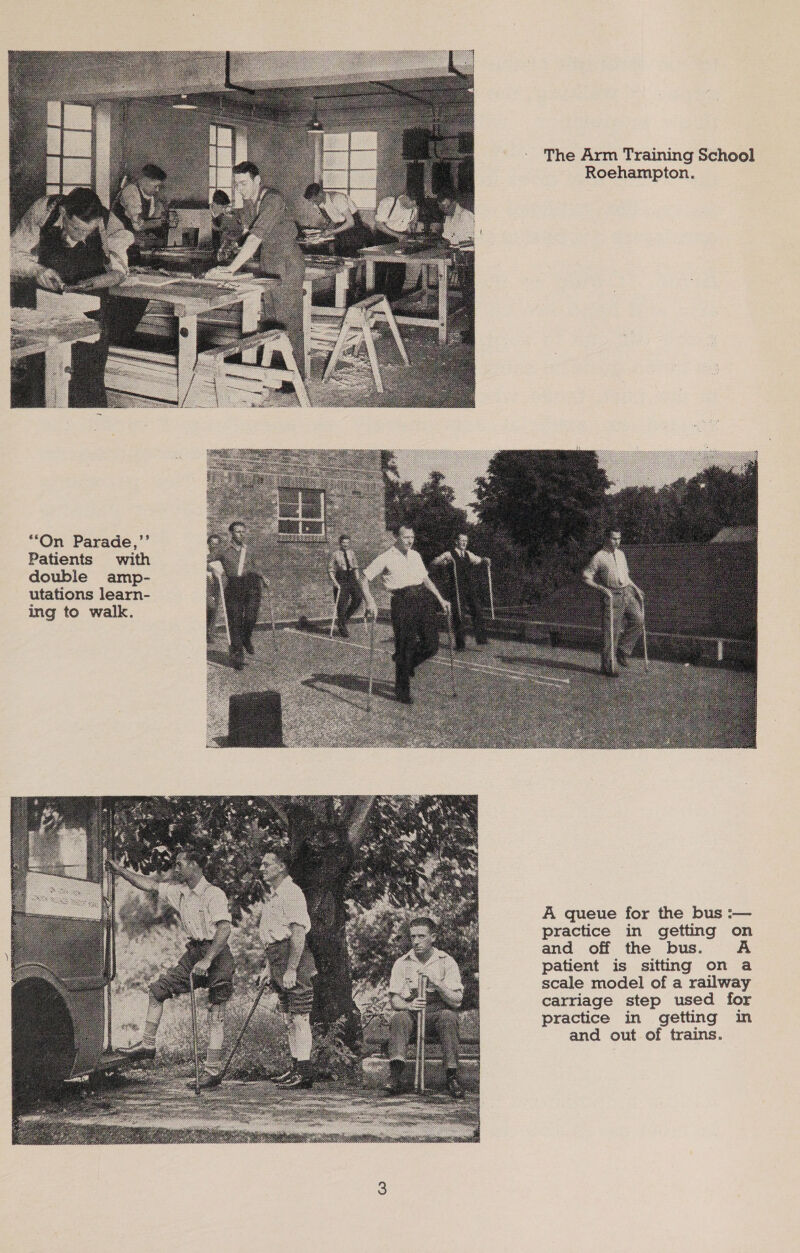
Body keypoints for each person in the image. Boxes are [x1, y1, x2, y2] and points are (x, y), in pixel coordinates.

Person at [107, 848, 235, 1091]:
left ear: (195, 865)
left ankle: (211, 1072)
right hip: (194, 953)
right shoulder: (180, 892)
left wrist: (207, 960)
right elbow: (150, 885)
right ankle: (147, 1045)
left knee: (215, 1014)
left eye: (179, 864)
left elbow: (224, 930)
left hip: (217, 955)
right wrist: (120, 871)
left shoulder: (213, 894)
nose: (175, 869)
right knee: (157, 991)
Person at [10, 186, 133, 407]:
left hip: (91, 307)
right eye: (76, 229)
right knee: (42, 372)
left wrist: (100, 280)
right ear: (65, 213)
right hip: (47, 306)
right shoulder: (45, 210)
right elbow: (12, 252)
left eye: (89, 231)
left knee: (90, 377)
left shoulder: (108, 222)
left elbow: (120, 269)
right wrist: (37, 271)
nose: (82, 237)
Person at [206, 161, 305, 378]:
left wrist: (231, 268)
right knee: (270, 317)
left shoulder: (272, 199)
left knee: (289, 318)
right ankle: (275, 370)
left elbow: (255, 237)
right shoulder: (250, 202)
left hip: (287, 259)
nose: (239, 189)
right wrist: (229, 241)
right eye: (236, 184)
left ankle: (294, 375)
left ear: (257, 181)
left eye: (243, 183)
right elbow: (244, 231)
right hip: (268, 257)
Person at [359, 524, 450, 705]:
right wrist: (370, 601)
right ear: (396, 537)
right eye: (406, 537)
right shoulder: (385, 557)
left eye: (412, 537)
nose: (410, 541)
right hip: (402, 603)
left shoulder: (415, 555)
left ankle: (405, 663)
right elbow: (363, 579)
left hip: (423, 601)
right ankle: (402, 691)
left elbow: (425, 579)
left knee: (432, 645)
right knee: (405, 646)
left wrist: (441, 599)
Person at [257, 848, 317, 1090]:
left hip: (294, 959)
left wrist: (291, 968)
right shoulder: (274, 896)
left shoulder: (292, 892)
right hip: (277, 959)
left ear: (281, 867)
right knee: (289, 1018)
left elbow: (298, 933)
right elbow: (272, 939)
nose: (262, 868)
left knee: (300, 1016)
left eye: (266, 864)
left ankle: (305, 1072)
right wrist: (268, 968)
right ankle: (295, 1068)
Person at [385, 916, 465, 1099]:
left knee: (449, 1017)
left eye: (421, 936)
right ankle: (395, 1075)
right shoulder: (402, 963)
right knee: (398, 1017)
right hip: (413, 1015)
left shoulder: (446, 961)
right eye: (413, 937)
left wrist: (437, 983)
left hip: (437, 1015)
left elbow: (457, 1000)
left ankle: (451, 1076)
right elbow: (395, 1000)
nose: (416, 941)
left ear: (433, 937)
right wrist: (409, 1005)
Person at [582, 527, 645, 675]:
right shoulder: (598, 557)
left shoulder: (621, 554)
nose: (617, 542)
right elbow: (586, 577)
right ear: (606, 538)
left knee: (639, 619)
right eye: (614, 538)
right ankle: (608, 666)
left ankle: (623, 650)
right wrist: (601, 588)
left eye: (619, 538)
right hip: (612, 595)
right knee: (611, 632)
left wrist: (636, 588)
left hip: (627, 593)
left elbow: (626, 576)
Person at [217, 521, 269, 670]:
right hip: (234, 585)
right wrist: (213, 569)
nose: (241, 534)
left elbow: (254, 566)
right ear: (231, 533)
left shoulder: (249, 550)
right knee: (235, 621)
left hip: (251, 584)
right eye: (238, 531)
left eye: (243, 531)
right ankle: (237, 657)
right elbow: (207, 559)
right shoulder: (223, 551)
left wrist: (262, 577)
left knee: (251, 616)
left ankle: (246, 637)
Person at [430, 532, 490, 650]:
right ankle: (460, 644)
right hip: (456, 588)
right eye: (461, 540)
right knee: (458, 614)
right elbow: (435, 562)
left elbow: (479, 560)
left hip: (469, 587)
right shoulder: (449, 554)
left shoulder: (468, 554)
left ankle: (481, 638)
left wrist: (485, 560)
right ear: (456, 542)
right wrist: (443, 562)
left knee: (477, 609)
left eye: (465, 541)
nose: (464, 543)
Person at [436, 186, 474, 344]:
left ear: (454, 203)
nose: (444, 209)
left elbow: (475, 239)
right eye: (441, 207)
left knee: (472, 296)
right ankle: (473, 330)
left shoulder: (466, 216)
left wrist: (456, 245)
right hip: (460, 258)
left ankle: (475, 333)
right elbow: (449, 236)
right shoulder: (449, 217)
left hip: (470, 257)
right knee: (467, 296)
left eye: (446, 206)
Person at [112, 164, 171, 260]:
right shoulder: (131, 191)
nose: (157, 190)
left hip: (131, 242)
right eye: (155, 186)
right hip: (117, 243)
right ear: (145, 180)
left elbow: (147, 222)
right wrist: (162, 221)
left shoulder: (149, 197)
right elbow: (138, 226)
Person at [372, 191, 419, 300]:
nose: (414, 207)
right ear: (407, 198)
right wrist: (398, 235)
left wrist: (412, 227)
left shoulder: (413, 209)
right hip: (384, 237)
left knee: (398, 272)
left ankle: (393, 301)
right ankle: (378, 301)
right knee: (381, 270)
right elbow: (379, 225)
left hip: (400, 238)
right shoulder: (388, 203)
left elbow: (410, 224)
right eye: (413, 204)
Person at [303, 182, 372, 255]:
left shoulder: (337, 198)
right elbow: (335, 219)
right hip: (341, 232)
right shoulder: (321, 203)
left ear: (320, 194)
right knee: (338, 256)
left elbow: (351, 222)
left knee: (350, 256)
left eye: (315, 201)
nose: (315, 204)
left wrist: (332, 232)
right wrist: (325, 231)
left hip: (354, 232)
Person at [327, 533, 363, 638]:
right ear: (340, 543)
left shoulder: (352, 553)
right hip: (341, 579)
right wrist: (335, 582)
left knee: (358, 598)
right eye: (343, 543)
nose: (345, 545)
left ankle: (344, 619)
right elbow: (330, 569)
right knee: (342, 604)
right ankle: (342, 626)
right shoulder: (335, 554)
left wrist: (357, 579)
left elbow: (356, 567)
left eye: (347, 543)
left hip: (351, 577)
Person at [210, 189, 241, 260]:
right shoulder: (205, 214)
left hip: (222, 251)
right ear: (214, 204)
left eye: (225, 207)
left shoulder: (224, 216)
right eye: (222, 207)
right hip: (209, 250)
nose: (224, 210)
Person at [206, 533, 224, 642]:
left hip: (217, 583)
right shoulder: (205, 554)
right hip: (206, 582)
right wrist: (212, 570)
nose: (214, 546)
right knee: (209, 606)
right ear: (208, 544)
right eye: (212, 543)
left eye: (216, 544)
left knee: (215, 609)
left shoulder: (220, 555)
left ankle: (209, 633)